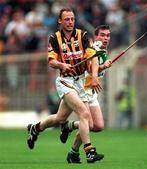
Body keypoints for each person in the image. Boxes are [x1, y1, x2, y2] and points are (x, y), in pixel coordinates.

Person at [26, 8, 104, 163]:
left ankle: (35, 129)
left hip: (81, 81)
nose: (70, 22)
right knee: (84, 113)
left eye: (72, 19)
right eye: (67, 19)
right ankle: (89, 151)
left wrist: (94, 76)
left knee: (59, 118)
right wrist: (61, 65)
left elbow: (93, 58)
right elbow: (51, 61)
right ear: (60, 21)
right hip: (65, 82)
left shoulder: (83, 36)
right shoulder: (54, 38)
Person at [60, 25, 112, 163]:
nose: (105, 38)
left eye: (107, 35)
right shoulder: (92, 49)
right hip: (82, 89)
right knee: (87, 123)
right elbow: (87, 69)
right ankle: (77, 152)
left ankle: (69, 127)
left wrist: (103, 66)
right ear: (96, 37)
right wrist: (102, 66)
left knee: (98, 126)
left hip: (92, 92)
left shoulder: (103, 50)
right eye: (102, 35)